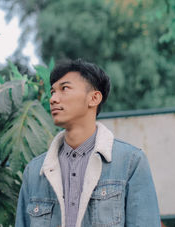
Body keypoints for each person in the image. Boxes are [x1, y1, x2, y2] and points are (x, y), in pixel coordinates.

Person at [15, 59, 160, 227]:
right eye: (52, 91)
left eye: (65, 89)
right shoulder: (34, 172)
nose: (53, 99)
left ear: (94, 98)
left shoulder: (130, 162)